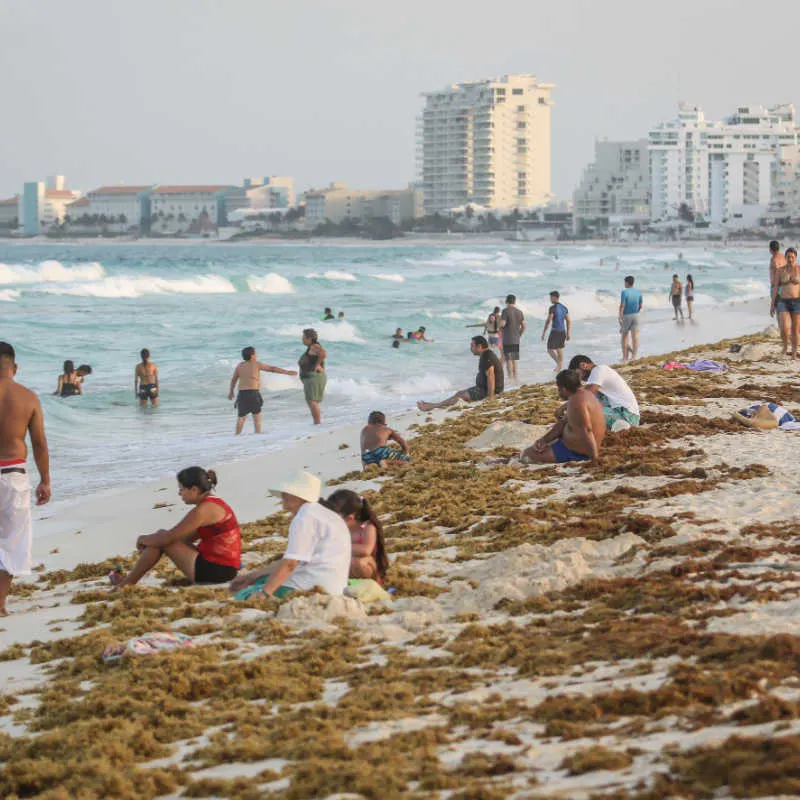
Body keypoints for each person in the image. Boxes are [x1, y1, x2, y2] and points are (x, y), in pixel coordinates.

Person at [228, 471, 351, 599]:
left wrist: (264, 594)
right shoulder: (323, 513)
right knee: (262, 580)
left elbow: (290, 564)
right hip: (335, 586)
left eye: (288, 493)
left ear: (300, 496)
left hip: (312, 587)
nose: (283, 496)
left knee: (243, 595)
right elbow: (293, 560)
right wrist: (252, 576)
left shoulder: (304, 518)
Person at [113, 467, 240, 589]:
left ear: (194, 489)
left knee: (162, 538)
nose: (179, 493)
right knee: (160, 538)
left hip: (217, 571)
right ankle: (127, 582)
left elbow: (168, 538)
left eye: (182, 489)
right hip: (227, 569)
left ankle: (125, 584)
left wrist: (141, 539)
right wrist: (153, 543)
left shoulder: (203, 510)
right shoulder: (213, 503)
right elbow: (184, 539)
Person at [0, 342, 50, 616]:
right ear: (14, 367)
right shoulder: (28, 398)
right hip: (13, 475)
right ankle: (0, 604)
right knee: (12, 540)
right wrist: (45, 480)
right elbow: (40, 444)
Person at [521, 370, 604, 464]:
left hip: (576, 452)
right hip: (567, 443)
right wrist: (544, 440)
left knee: (527, 454)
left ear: (564, 389)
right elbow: (562, 423)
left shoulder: (578, 403)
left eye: (559, 389)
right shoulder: (582, 395)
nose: (559, 392)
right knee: (534, 448)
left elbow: (587, 430)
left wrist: (594, 458)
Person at [417, 335, 503, 411]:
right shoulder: (486, 354)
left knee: (459, 398)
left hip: (489, 390)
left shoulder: (486, 356)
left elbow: (491, 376)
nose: (470, 348)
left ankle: (432, 406)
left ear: (479, 346)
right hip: (483, 388)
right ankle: (434, 405)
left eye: (472, 345)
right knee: (459, 393)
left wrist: (490, 398)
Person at [229, 346, 298, 435]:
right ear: (252, 355)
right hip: (254, 393)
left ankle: (236, 436)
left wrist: (231, 392)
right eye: (255, 353)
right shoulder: (256, 364)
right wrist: (287, 372)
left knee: (241, 417)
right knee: (257, 416)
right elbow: (272, 369)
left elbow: (234, 380)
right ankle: (257, 434)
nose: (256, 355)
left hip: (242, 394)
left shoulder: (239, 366)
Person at [326, 489, 389, 583]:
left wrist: (338, 546)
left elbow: (365, 550)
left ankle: (364, 585)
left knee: (356, 562)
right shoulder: (336, 528)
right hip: (343, 568)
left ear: (349, 517)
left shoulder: (367, 527)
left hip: (368, 568)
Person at [568, 354, 640, 430]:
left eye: (578, 374)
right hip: (624, 415)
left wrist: (565, 407)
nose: (580, 379)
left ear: (583, 365)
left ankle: (621, 426)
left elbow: (584, 396)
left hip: (626, 414)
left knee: (582, 412)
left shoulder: (599, 369)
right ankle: (617, 426)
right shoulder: (597, 382)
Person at [771, 247, 800, 360]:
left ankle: (794, 353)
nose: (790, 259)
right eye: (788, 257)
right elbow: (775, 288)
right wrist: (772, 303)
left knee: (795, 329)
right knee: (783, 327)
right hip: (783, 301)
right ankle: (785, 347)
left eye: (792, 257)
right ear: (785, 257)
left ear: (796, 258)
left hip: (797, 301)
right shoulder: (780, 270)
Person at [299, 329, 327, 425]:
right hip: (310, 378)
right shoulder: (311, 347)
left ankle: (317, 423)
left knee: (312, 400)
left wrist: (317, 365)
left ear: (310, 338)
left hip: (314, 377)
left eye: (303, 338)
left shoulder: (315, 346)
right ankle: (316, 422)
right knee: (311, 400)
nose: (302, 339)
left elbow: (323, 353)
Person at [769, 240, 790, 355]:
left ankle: (785, 346)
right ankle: (787, 343)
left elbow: (777, 271)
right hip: (785, 287)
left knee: (780, 318)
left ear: (770, 250)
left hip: (776, 289)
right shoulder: (784, 257)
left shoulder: (773, 260)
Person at [541, 291, 571, 371]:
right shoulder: (564, 308)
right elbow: (568, 320)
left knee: (549, 349)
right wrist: (568, 333)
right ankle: (559, 366)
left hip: (555, 331)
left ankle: (559, 364)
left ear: (554, 297)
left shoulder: (553, 308)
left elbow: (548, 320)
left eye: (551, 297)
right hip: (562, 331)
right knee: (559, 348)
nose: (550, 299)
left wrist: (544, 332)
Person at [500, 294, 526, 380]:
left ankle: (510, 378)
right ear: (514, 301)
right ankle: (515, 378)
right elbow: (524, 326)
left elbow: (503, 324)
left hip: (508, 338)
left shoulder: (505, 311)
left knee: (508, 360)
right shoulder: (519, 312)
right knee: (514, 359)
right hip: (516, 338)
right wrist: (519, 334)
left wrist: (499, 326)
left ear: (506, 301)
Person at [619, 276, 643, 362]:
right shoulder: (638, 292)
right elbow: (640, 305)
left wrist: (620, 316)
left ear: (627, 282)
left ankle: (625, 357)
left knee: (624, 337)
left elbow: (622, 305)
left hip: (627, 315)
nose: (624, 283)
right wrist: (636, 312)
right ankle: (634, 356)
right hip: (636, 315)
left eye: (624, 282)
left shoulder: (624, 292)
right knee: (635, 337)